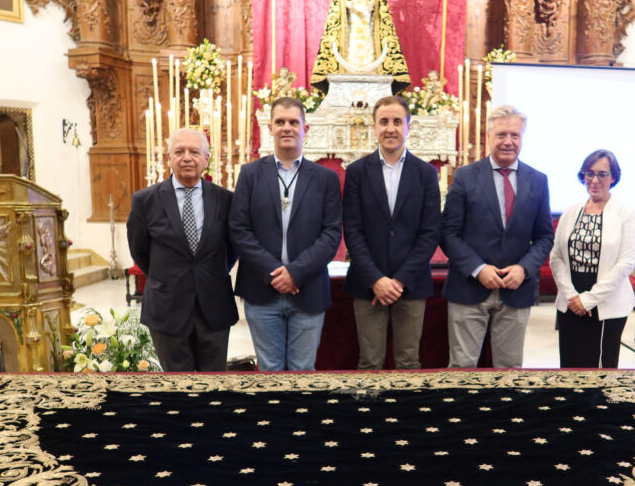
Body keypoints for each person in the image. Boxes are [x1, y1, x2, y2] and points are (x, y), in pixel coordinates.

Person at [230, 97, 343, 371]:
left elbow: (331, 234)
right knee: (270, 370)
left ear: (306, 129)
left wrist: (295, 272)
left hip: (308, 290)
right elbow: (239, 229)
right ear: (270, 128)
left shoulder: (325, 178)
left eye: (294, 122)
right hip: (261, 289)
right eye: (280, 122)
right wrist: (274, 273)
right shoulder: (250, 174)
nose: (287, 128)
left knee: (303, 370)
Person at [440, 105, 554, 368]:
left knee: (510, 370)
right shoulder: (465, 177)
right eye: (501, 134)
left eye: (515, 135)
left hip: (516, 290)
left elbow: (544, 236)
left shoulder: (538, 180)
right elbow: (447, 232)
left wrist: (523, 269)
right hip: (469, 288)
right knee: (462, 368)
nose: (508, 141)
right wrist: (478, 269)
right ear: (488, 136)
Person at [126, 128, 239, 371]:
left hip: (214, 307)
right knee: (176, 386)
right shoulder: (145, 201)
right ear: (169, 158)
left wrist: (208, 273)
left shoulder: (226, 200)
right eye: (179, 152)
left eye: (194, 152)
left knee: (214, 384)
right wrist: (168, 277)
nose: (187, 158)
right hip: (167, 308)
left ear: (206, 159)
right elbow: (140, 251)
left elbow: (232, 249)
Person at [343, 96, 441, 369]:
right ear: (374, 127)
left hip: (411, 283)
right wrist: (377, 280)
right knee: (369, 363)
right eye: (383, 121)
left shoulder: (426, 173)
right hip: (367, 283)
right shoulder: (356, 172)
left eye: (397, 122)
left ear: (408, 127)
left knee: (409, 362)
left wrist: (399, 281)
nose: (390, 128)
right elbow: (353, 230)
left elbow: (430, 232)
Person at [549, 149, 635, 368]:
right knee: (570, 366)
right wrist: (571, 296)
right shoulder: (571, 211)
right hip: (571, 300)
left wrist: (588, 300)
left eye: (602, 174)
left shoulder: (625, 213)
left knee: (600, 369)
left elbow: (626, 263)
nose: (594, 180)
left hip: (607, 301)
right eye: (589, 173)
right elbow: (556, 257)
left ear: (613, 177)